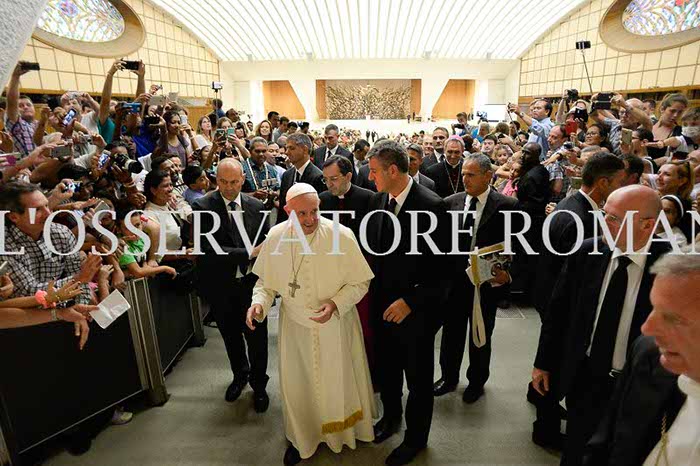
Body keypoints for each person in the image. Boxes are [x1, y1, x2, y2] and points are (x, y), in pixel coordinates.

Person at [532, 185, 670, 466]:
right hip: (586, 377)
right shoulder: (587, 252)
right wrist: (543, 363)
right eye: (604, 213)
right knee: (575, 451)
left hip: (640, 387)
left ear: (647, 225)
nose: (603, 222)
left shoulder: (673, 268)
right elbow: (559, 312)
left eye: (614, 218)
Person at [246, 183, 375, 465]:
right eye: (301, 213)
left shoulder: (341, 235)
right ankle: (302, 438)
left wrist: (336, 303)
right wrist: (259, 304)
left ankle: (342, 435)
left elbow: (360, 282)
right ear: (287, 210)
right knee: (299, 387)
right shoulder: (276, 237)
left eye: (314, 211)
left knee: (337, 382)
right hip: (296, 328)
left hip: (336, 325)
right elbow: (266, 283)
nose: (310, 219)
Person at [530, 153, 626, 449]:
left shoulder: (574, 206)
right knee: (557, 368)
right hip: (562, 306)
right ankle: (545, 428)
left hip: (552, 299)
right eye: (620, 182)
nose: (623, 187)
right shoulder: (581, 219)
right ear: (603, 183)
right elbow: (573, 278)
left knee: (553, 363)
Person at [365, 140, 450, 465]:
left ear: (392, 170)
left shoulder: (433, 206)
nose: (370, 177)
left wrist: (410, 301)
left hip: (416, 312)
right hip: (381, 306)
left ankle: (415, 438)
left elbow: (444, 271)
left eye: (374, 171)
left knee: (418, 381)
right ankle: (391, 418)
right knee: (387, 371)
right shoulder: (377, 200)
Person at [583, 252, 700, 466]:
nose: (647, 328)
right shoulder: (649, 356)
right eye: (654, 308)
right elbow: (605, 446)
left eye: (673, 318)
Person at [434, 153, 518, 402]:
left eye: (471, 175)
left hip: (486, 283)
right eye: (463, 174)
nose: (465, 179)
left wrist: (508, 275)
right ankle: (448, 377)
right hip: (455, 282)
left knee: (480, 335)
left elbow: (519, 245)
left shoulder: (507, 206)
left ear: (488, 176)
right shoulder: (451, 202)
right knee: (451, 333)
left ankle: (476, 382)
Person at [193, 159, 271, 410]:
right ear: (216, 180)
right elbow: (208, 250)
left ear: (243, 180)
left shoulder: (257, 206)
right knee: (231, 337)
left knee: (257, 339)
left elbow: (266, 247)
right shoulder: (202, 207)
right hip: (221, 287)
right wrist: (249, 252)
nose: (228, 187)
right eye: (223, 182)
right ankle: (240, 376)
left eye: (234, 182)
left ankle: (259, 385)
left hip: (252, 286)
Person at [318, 155, 373, 239]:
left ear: (348, 177)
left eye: (333, 179)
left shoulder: (368, 198)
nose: (329, 184)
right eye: (325, 179)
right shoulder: (322, 199)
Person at [277, 133, 326, 223]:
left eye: (292, 148)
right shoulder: (287, 175)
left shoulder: (318, 177)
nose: (287, 152)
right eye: (286, 148)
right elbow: (282, 209)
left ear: (305, 150)